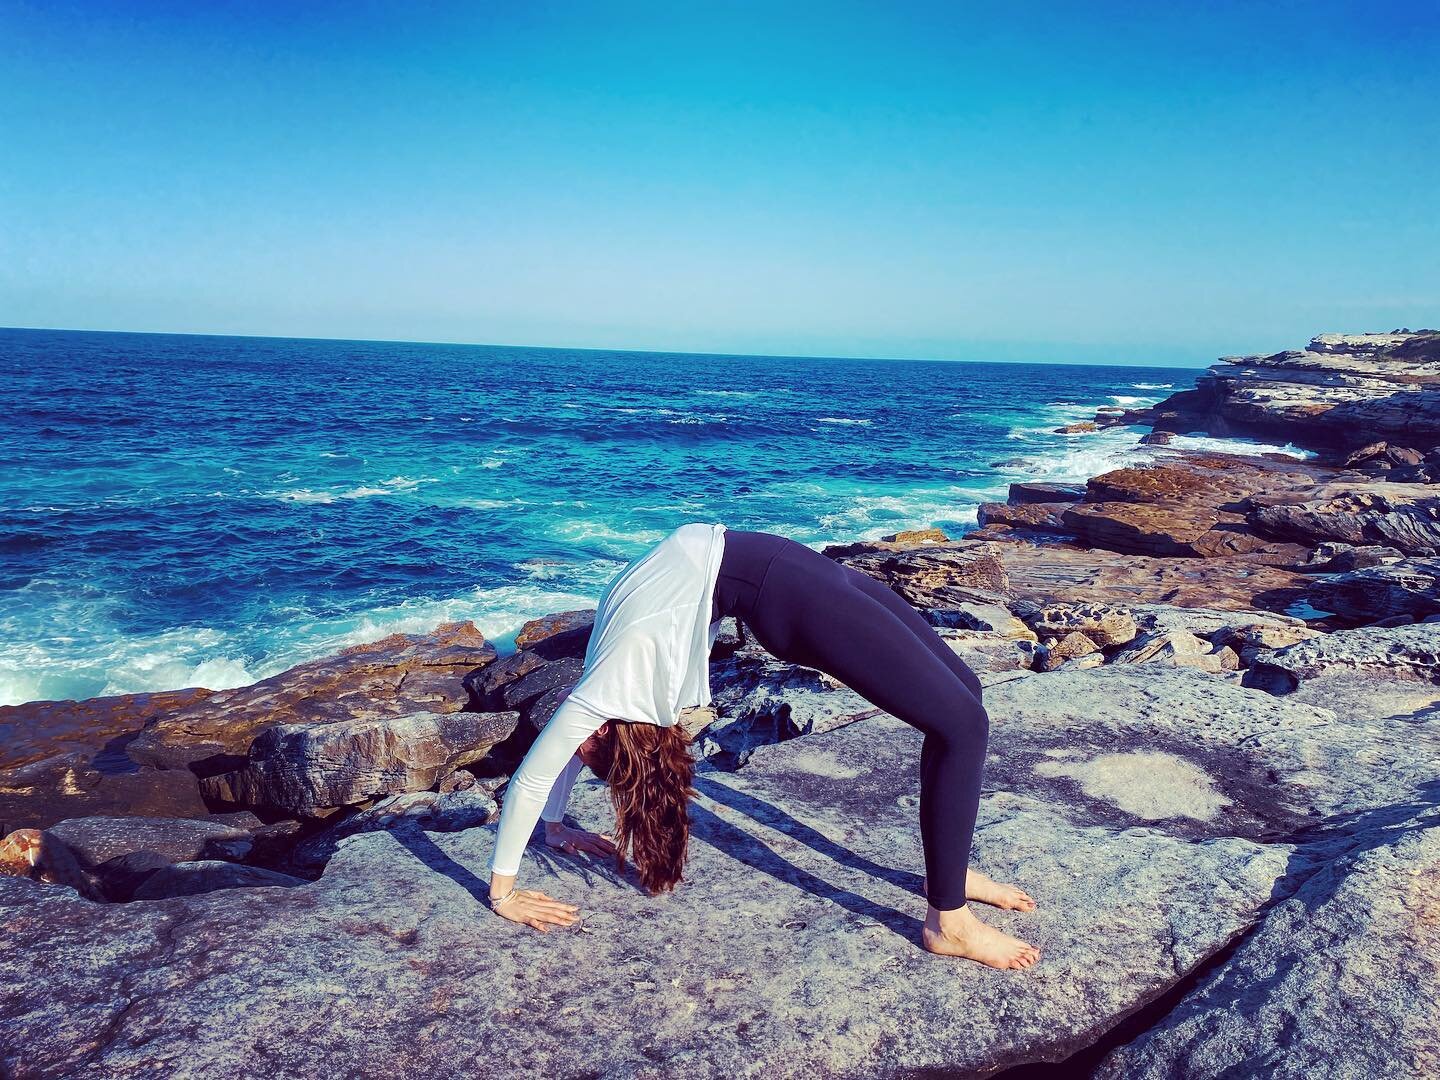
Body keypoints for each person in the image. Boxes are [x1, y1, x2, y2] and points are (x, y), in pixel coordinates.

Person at [485, 523, 1040, 969]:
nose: (568, 750)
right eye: (581, 755)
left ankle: (950, 869)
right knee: (962, 727)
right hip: (786, 594)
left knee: (965, 692)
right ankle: (949, 922)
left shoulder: (603, 694)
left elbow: (545, 768)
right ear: (607, 733)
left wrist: (554, 828)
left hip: (788, 568)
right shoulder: (605, 695)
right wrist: (504, 893)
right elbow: (536, 774)